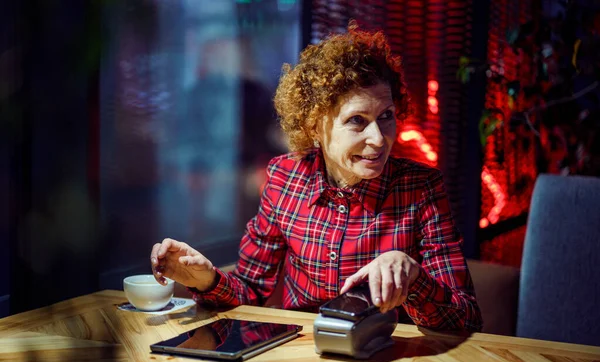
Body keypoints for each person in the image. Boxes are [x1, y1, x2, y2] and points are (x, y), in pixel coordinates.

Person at [150, 24, 483, 332]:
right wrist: (206, 280)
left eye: (386, 117)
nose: (379, 139)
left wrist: (413, 277)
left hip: (389, 360)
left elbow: (465, 318)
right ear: (314, 126)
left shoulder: (420, 187)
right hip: (302, 359)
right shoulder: (285, 177)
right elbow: (250, 292)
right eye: (357, 121)